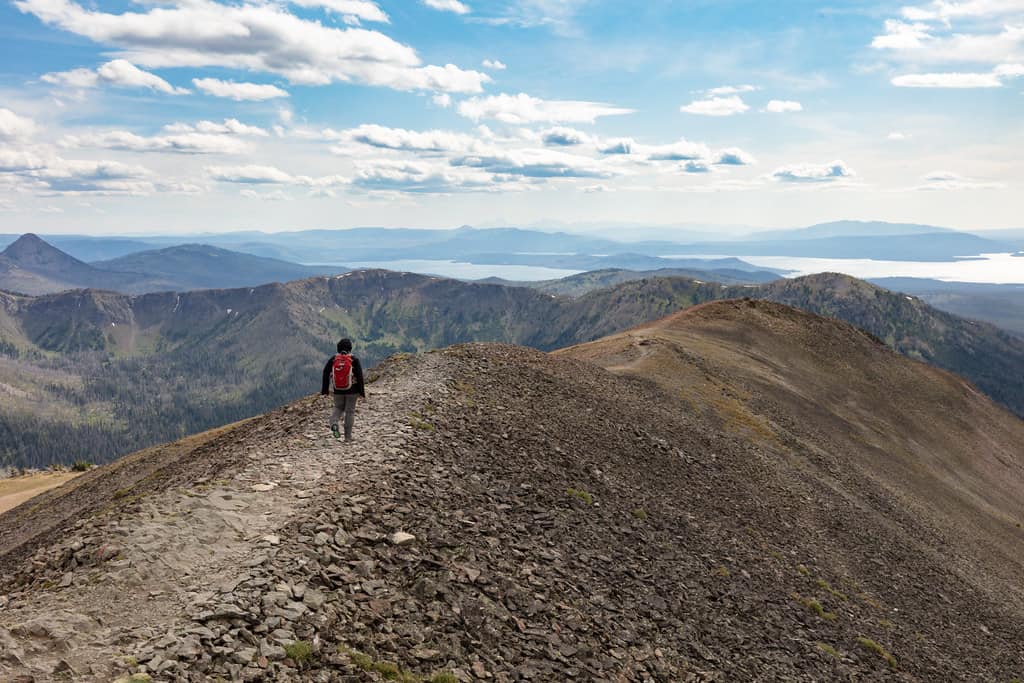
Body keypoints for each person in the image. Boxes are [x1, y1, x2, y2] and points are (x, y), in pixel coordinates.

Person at [321, 338, 365, 441]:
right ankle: (348, 437)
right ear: (350, 348)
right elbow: (360, 376)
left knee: (338, 408)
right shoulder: (354, 359)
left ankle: (334, 423)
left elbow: (325, 373)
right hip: (352, 390)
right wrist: (361, 392)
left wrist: (325, 390)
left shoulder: (333, 359)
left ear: (338, 348)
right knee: (350, 411)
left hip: (338, 390)